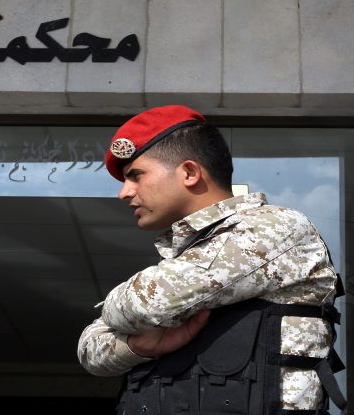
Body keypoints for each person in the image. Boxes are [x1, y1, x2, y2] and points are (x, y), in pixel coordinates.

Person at [77, 105, 346, 414]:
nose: (124, 193)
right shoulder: (184, 256)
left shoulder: (274, 228)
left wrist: (127, 312)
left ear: (189, 173)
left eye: (135, 176)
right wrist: (140, 345)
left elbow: (145, 304)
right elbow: (90, 350)